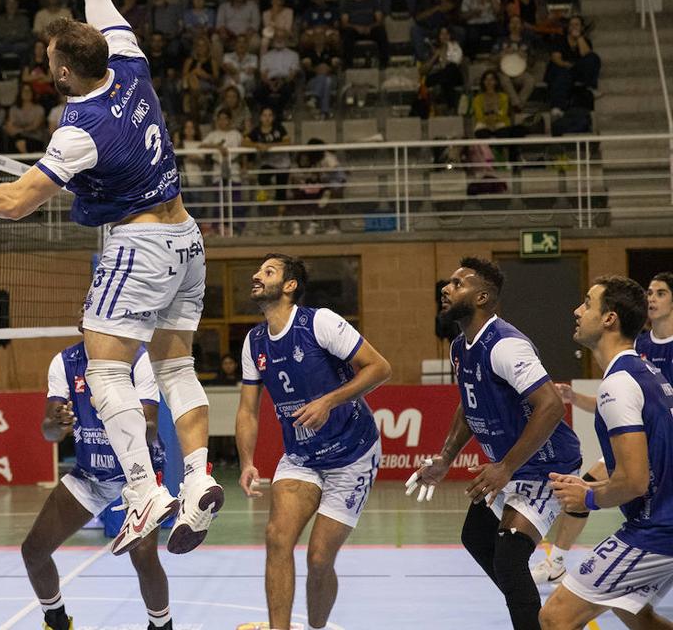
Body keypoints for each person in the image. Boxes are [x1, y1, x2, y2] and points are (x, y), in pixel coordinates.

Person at [0, 0, 224, 557]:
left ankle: (144, 495)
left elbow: (19, 202)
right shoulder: (128, 60)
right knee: (175, 366)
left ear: (62, 72)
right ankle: (198, 476)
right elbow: (98, 0)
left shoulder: (80, 127)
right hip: (187, 239)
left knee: (106, 370)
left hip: (139, 243)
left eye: (49, 58)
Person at [405, 257, 581, 630]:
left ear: (482, 297)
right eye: (448, 283)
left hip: (546, 465)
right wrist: (444, 458)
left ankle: (539, 616)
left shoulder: (505, 345)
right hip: (512, 466)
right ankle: (536, 612)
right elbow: (470, 405)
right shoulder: (460, 347)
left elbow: (550, 406)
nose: (446, 288)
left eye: (457, 283)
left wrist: (505, 467)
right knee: (476, 537)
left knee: (510, 554)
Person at [236, 254, 392, 630]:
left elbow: (380, 368)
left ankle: (316, 628)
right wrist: (246, 462)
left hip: (352, 453)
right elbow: (247, 410)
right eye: (258, 271)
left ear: (289, 286)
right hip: (302, 457)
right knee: (277, 538)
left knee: (319, 558)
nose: (257, 275)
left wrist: (329, 400)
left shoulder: (319, 322)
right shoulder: (254, 341)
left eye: (268, 272)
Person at [539, 276, 673, 630]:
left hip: (658, 528)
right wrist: (590, 489)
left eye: (586, 303)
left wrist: (588, 497)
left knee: (555, 617)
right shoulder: (644, 372)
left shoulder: (620, 383)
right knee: (633, 613)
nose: (577, 310)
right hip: (662, 522)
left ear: (609, 318)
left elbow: (633, 481)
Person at [22, 342, 173, 630]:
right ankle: (56, 620)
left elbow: (151, 427)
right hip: (90, 474)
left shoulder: (138, 358)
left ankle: (162, 626)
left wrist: (111, 410)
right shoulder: (65, 361)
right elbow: (48, 431)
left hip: (137, 474)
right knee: (33, 550)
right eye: (83, 310)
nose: (84, 315)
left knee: (142, 555)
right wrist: (58, 423)